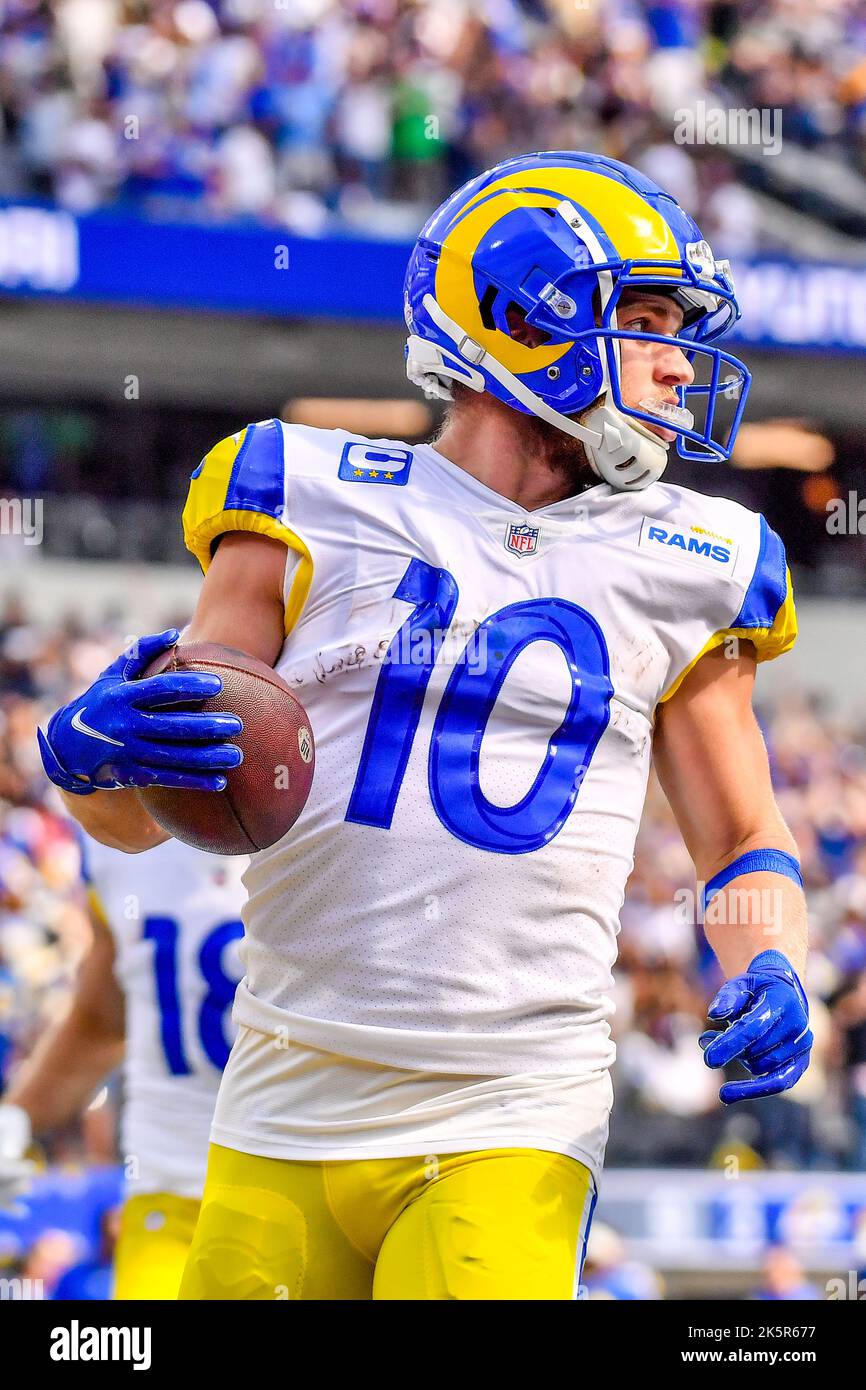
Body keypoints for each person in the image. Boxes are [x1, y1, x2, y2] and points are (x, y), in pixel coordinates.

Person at [38, 152, 812, 1301]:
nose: (670, 358)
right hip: (282, 1089)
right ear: (519, 315)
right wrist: (86, 756)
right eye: (641, 318)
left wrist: (770, 957)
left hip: (510, 1102)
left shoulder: (694, 558)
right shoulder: (301, 489)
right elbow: (156, 814)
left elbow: (741, 834)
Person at [0, 834, 246, 1298]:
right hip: (170, 1191)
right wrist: (13, 1124)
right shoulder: (111, 831)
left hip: (316, 1164)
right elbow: (101, 1021)